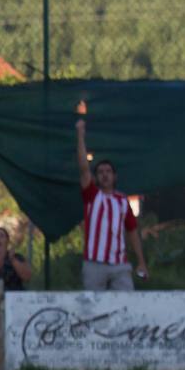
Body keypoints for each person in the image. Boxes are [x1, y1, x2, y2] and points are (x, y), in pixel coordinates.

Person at [76, 111, 147, 290]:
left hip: (119, 264)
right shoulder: (92, 195)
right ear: (96, 177)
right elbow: (84, 169)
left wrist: (141, 261)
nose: (105, 175)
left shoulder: (122, 201)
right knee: (93, 308)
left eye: (108, 171)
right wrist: (80, 136)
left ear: (115, 176)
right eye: (100, 172)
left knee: (124, 304)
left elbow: (132, 231)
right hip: (94, 263)